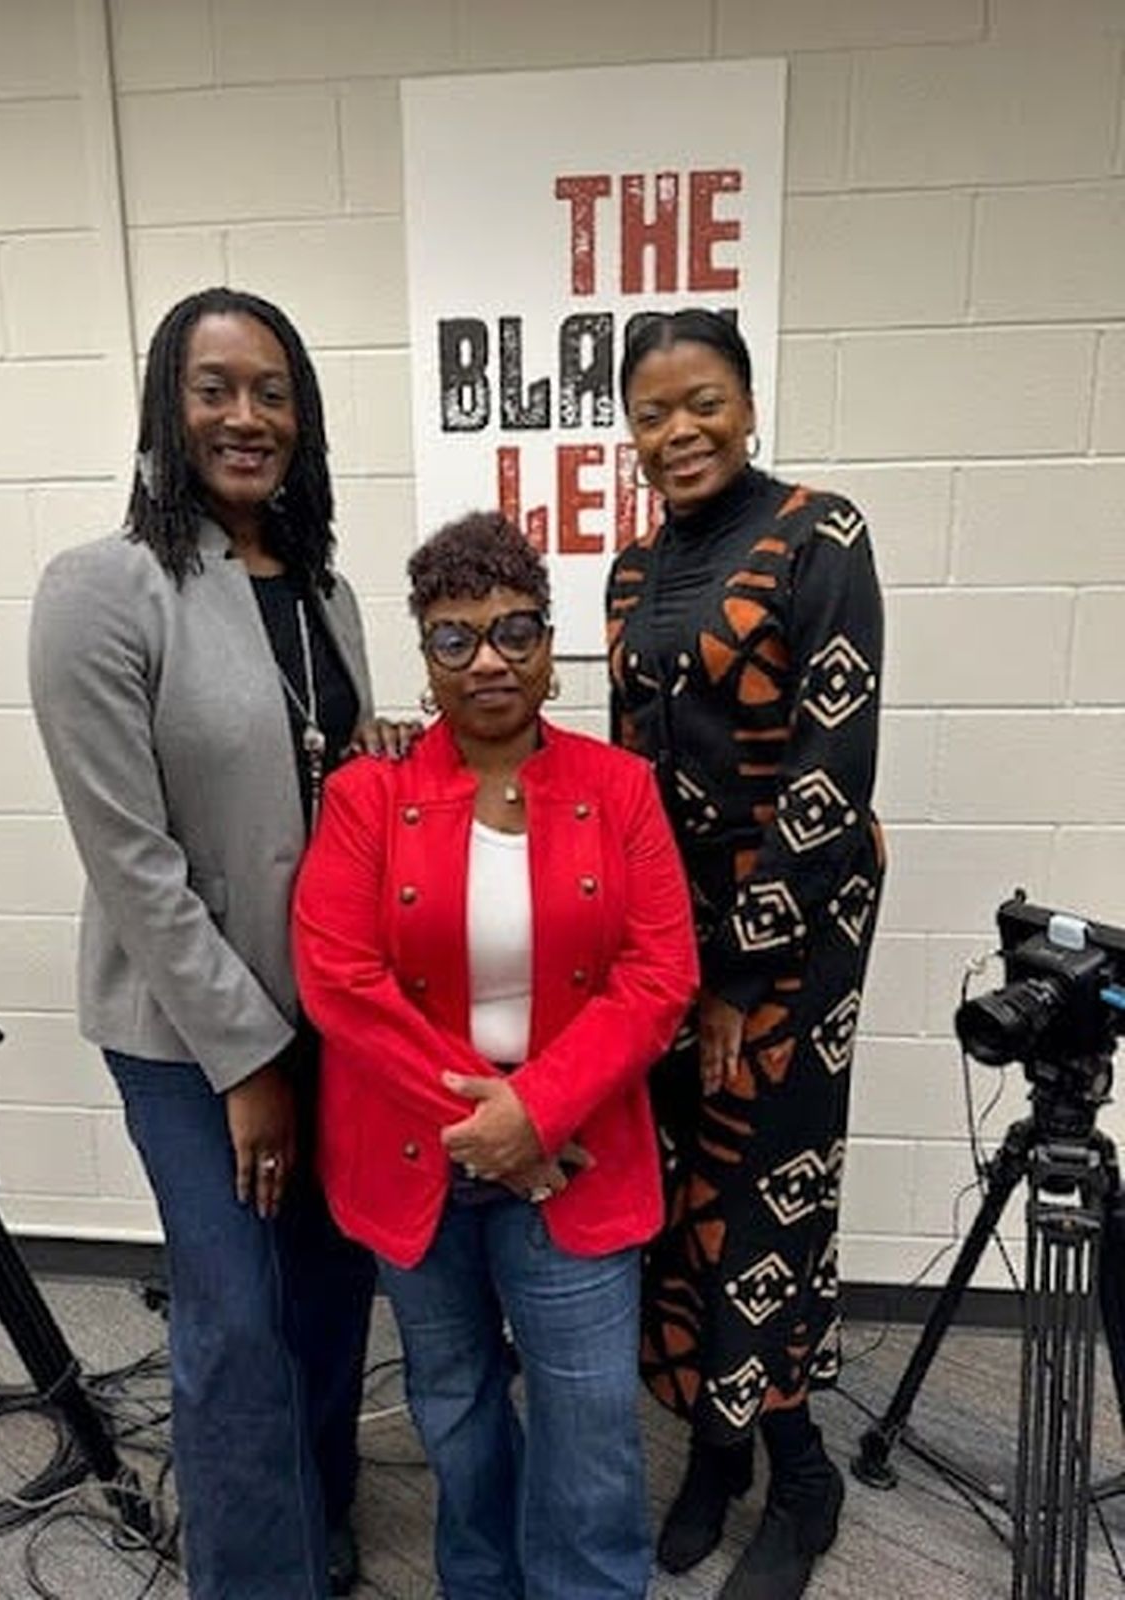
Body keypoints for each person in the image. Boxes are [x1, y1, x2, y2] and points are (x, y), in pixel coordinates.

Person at [29, 287, 404, 1599]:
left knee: (327, 1287)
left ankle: (314, 1509)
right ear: (167, 407)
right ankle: (257, 1574)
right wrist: (246, 1059)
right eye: (214, 388)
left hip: (333, 1016)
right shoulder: (102, 590)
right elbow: (127, 856)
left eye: (272, 391)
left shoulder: (328, 591)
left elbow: (329, 792)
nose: (246, 417)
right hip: (189, 1036)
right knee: (238, 1316)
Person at [292, 511, 698, 1600]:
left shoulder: (621, 790)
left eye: (516, 631)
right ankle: (481, 1580)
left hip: (579, 1154)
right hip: (420, 1159)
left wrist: (540, 1114)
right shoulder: (367, 795)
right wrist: (495, 1131)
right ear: (425, 656)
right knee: (456, 1400)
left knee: (590, 1416)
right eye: (456, 637)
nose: (489, 660)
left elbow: (658, 976)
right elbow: (340, 979)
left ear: (548, 646)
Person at [608, 308, 885, 1600]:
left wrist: (736, 977)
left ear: (750, 403)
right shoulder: (629, 573)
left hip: (798, 929)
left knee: (770, 1188)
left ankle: (803, 1472)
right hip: (674, 939)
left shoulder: (821, 535)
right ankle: (719, 1454)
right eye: (654, 412)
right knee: (686, 1200)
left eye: (703, 402)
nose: (680, 431)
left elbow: (832, 779)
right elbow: (627, 784)